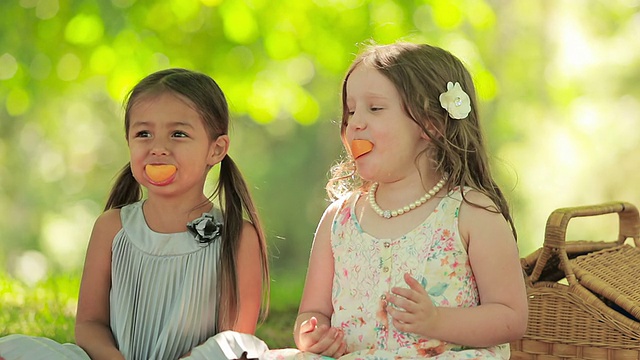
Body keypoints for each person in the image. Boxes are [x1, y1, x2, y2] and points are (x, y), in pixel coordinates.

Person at [263, 42, 528, 360]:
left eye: (374, 108)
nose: (355, 123)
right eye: (350, 110)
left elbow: (511, 319)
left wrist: (436, 321)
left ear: (431, 125)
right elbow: (313, 312)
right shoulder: (340, 218)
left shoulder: (471, 214)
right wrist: (313, 334)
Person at [0, 68, 270, 360]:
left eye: (178, 134)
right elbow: (90, 324)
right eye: (144, 134)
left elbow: (235, 339)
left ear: (216, 150)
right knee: (15, 348)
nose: (158, 148)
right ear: (128, 141)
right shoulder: (111, 227)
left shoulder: (238, 237)